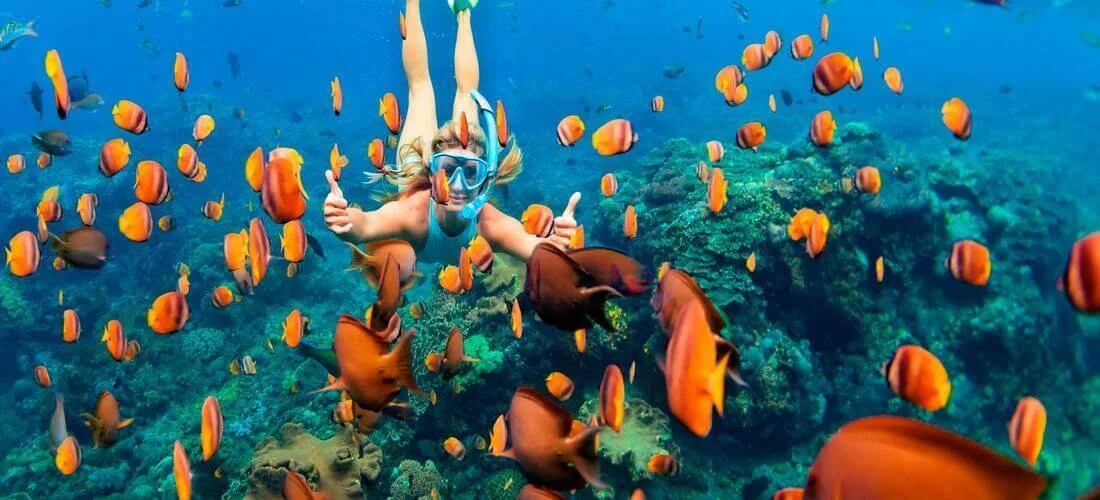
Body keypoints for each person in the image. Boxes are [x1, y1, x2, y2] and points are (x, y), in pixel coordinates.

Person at [323, 0, 579, 263]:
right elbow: (365, 225)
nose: (457, 184)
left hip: (427, 165)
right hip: (415, 175)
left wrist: (555, 246)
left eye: (470, 172)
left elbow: (536, 250)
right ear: (432, 169)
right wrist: (345, 221)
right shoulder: (413, 213)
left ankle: (463, 10)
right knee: (422, 88)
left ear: (484, 178)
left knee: (437, 92)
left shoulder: (488, 223)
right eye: (447, 169)